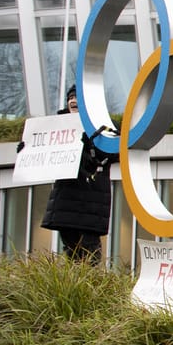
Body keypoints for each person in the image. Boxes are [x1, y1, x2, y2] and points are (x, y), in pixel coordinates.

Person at [40, 85, 117, 261]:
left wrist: (91, 147)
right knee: (71, 249)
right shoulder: (56, 127)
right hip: (66, 197)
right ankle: (74, 285)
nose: (72, 101)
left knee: (90, 251)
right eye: (70, 97)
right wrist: (28, 147)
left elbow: (115, 153)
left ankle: (91, 286)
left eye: (77, 97)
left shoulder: (105, 126)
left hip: (91, 198)